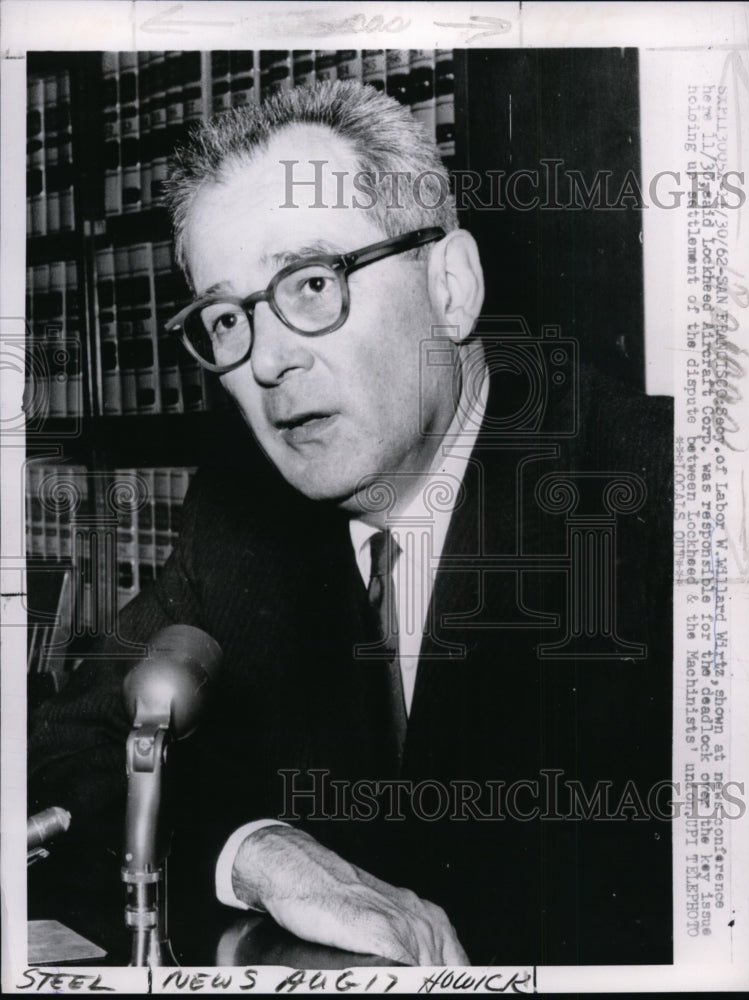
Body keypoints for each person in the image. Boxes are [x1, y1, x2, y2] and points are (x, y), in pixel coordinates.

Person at [28, 79, 673, 967]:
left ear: (451, 286)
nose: (270, 360)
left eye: (313, 282)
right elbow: (58, 751)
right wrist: (252, 851)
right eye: (226, 317)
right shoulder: (240, 521)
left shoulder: (671, 494)